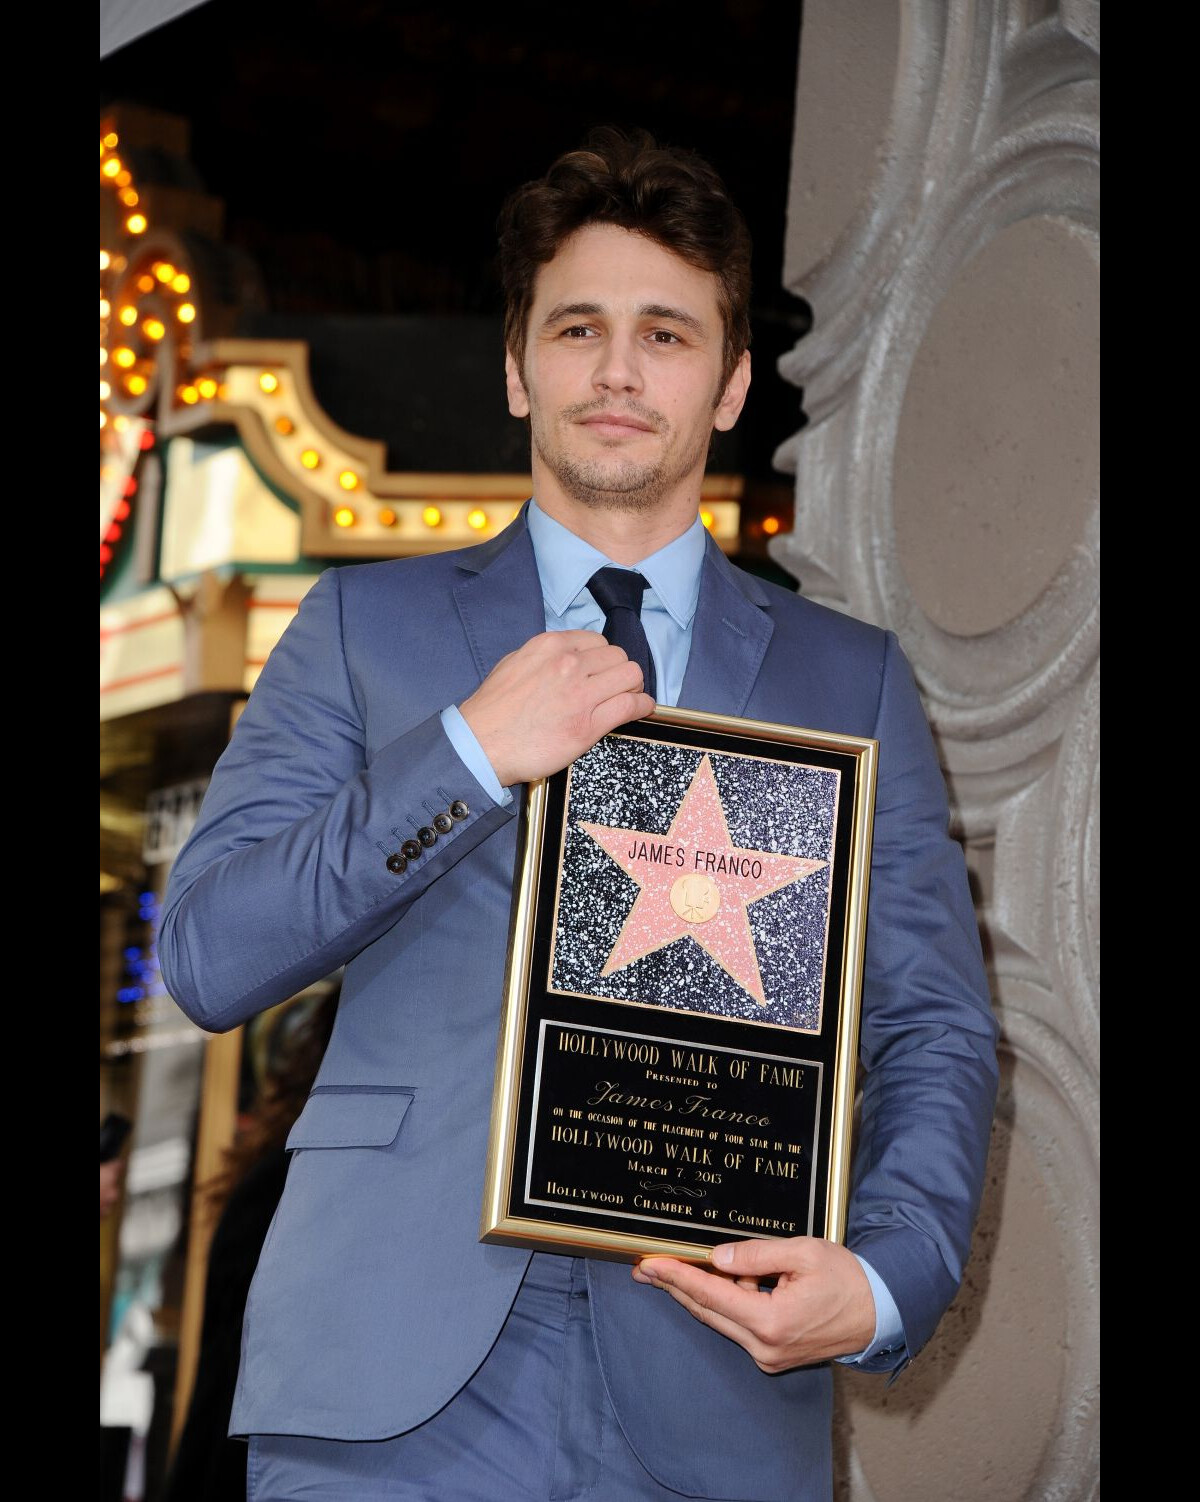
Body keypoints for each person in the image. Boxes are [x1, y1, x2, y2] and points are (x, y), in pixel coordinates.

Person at [159, 128, 998, 1502]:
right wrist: (470, 754)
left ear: (731, 384)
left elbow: (934, 1021)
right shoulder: (363, 629)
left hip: (718, 1379)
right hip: (385, 1375)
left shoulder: (852, 679)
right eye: (579, 328)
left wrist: (885, 1269)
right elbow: (204, 951)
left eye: (667, 334)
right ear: (517, 364)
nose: (618, 370)